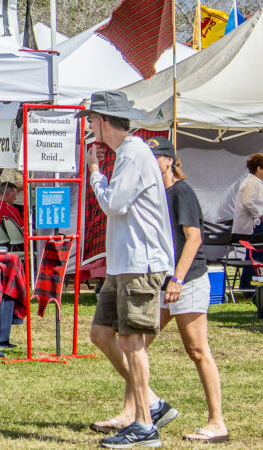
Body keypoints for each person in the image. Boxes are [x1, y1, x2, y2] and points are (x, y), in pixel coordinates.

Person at [82, 91, 176, 449]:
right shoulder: (128, 154)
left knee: (132, 341)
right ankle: (150, 402)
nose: (90, 126)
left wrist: (94, 173)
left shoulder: (134, 153)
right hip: (124, 263)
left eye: (92, 120)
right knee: (102, 334)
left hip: (141, 261)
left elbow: (113, 204)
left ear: (104, 121)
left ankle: (145, 425)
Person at [146, 137, 228, 443]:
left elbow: (193, 238)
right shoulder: (157, 194)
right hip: (164, 283)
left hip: (187, 281)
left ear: (169, 161)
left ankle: (217, 422)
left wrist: (178, 280)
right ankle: (140, 410)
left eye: (156, 159)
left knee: (196, 349)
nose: (152, 165)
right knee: (136, 344)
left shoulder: (181, 191)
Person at [233, 153, 263, 292]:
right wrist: (260, 215)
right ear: (259, 168)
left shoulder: (256, 182)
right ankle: (251, 287)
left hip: (255, 224)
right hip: (252, 226)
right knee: (256, 257)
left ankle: (248, 286)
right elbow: (248, 202)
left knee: (254, 257)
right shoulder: (251, 182)